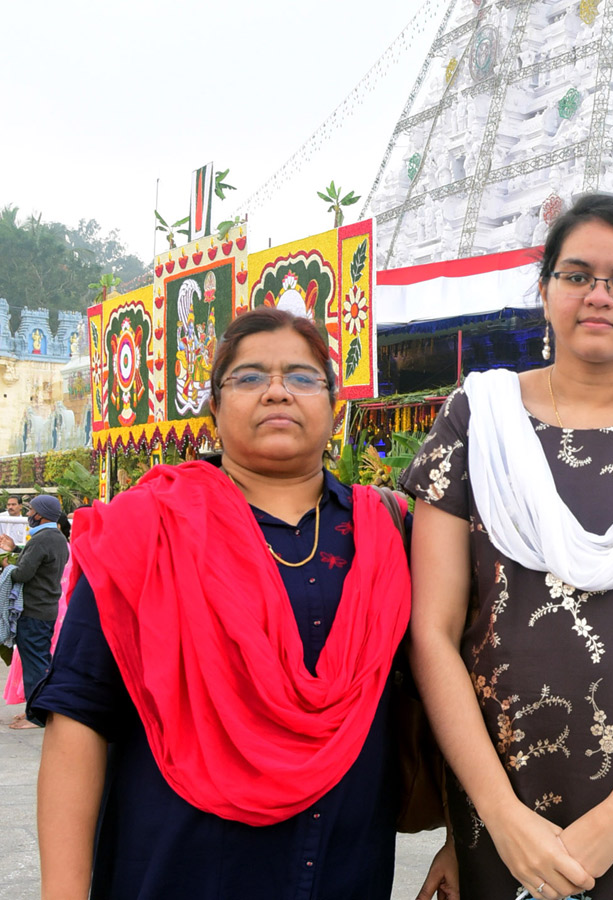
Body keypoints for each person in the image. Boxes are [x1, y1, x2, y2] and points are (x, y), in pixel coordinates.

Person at [403, 194, 613, 900]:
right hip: (500, 809)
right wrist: (497, 817)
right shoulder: (477, 421)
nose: (600, 295)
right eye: (578, 274)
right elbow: (433, 634)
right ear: (545, 290)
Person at [31, 307, 432, 899]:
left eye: (301, 377)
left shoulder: (392, 533)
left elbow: (452, 685)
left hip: (345, 871)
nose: (276, 391)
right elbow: (80, 717)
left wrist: (459, 843)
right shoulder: (147, 529)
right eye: (248, 378)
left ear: (334, 406)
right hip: (178, 869)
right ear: (215, 408)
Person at [0, 494, 69, 729]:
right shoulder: (57, 537)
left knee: (35, 665)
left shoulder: (42, 539)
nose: (28, 514)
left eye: (31, 511)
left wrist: (5, 565)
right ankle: (35, 707)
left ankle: (37, 716)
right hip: (45, 609)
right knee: (38, 661)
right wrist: (17, 549)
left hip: (34, 611)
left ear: (40, 515)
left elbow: (22, 574)